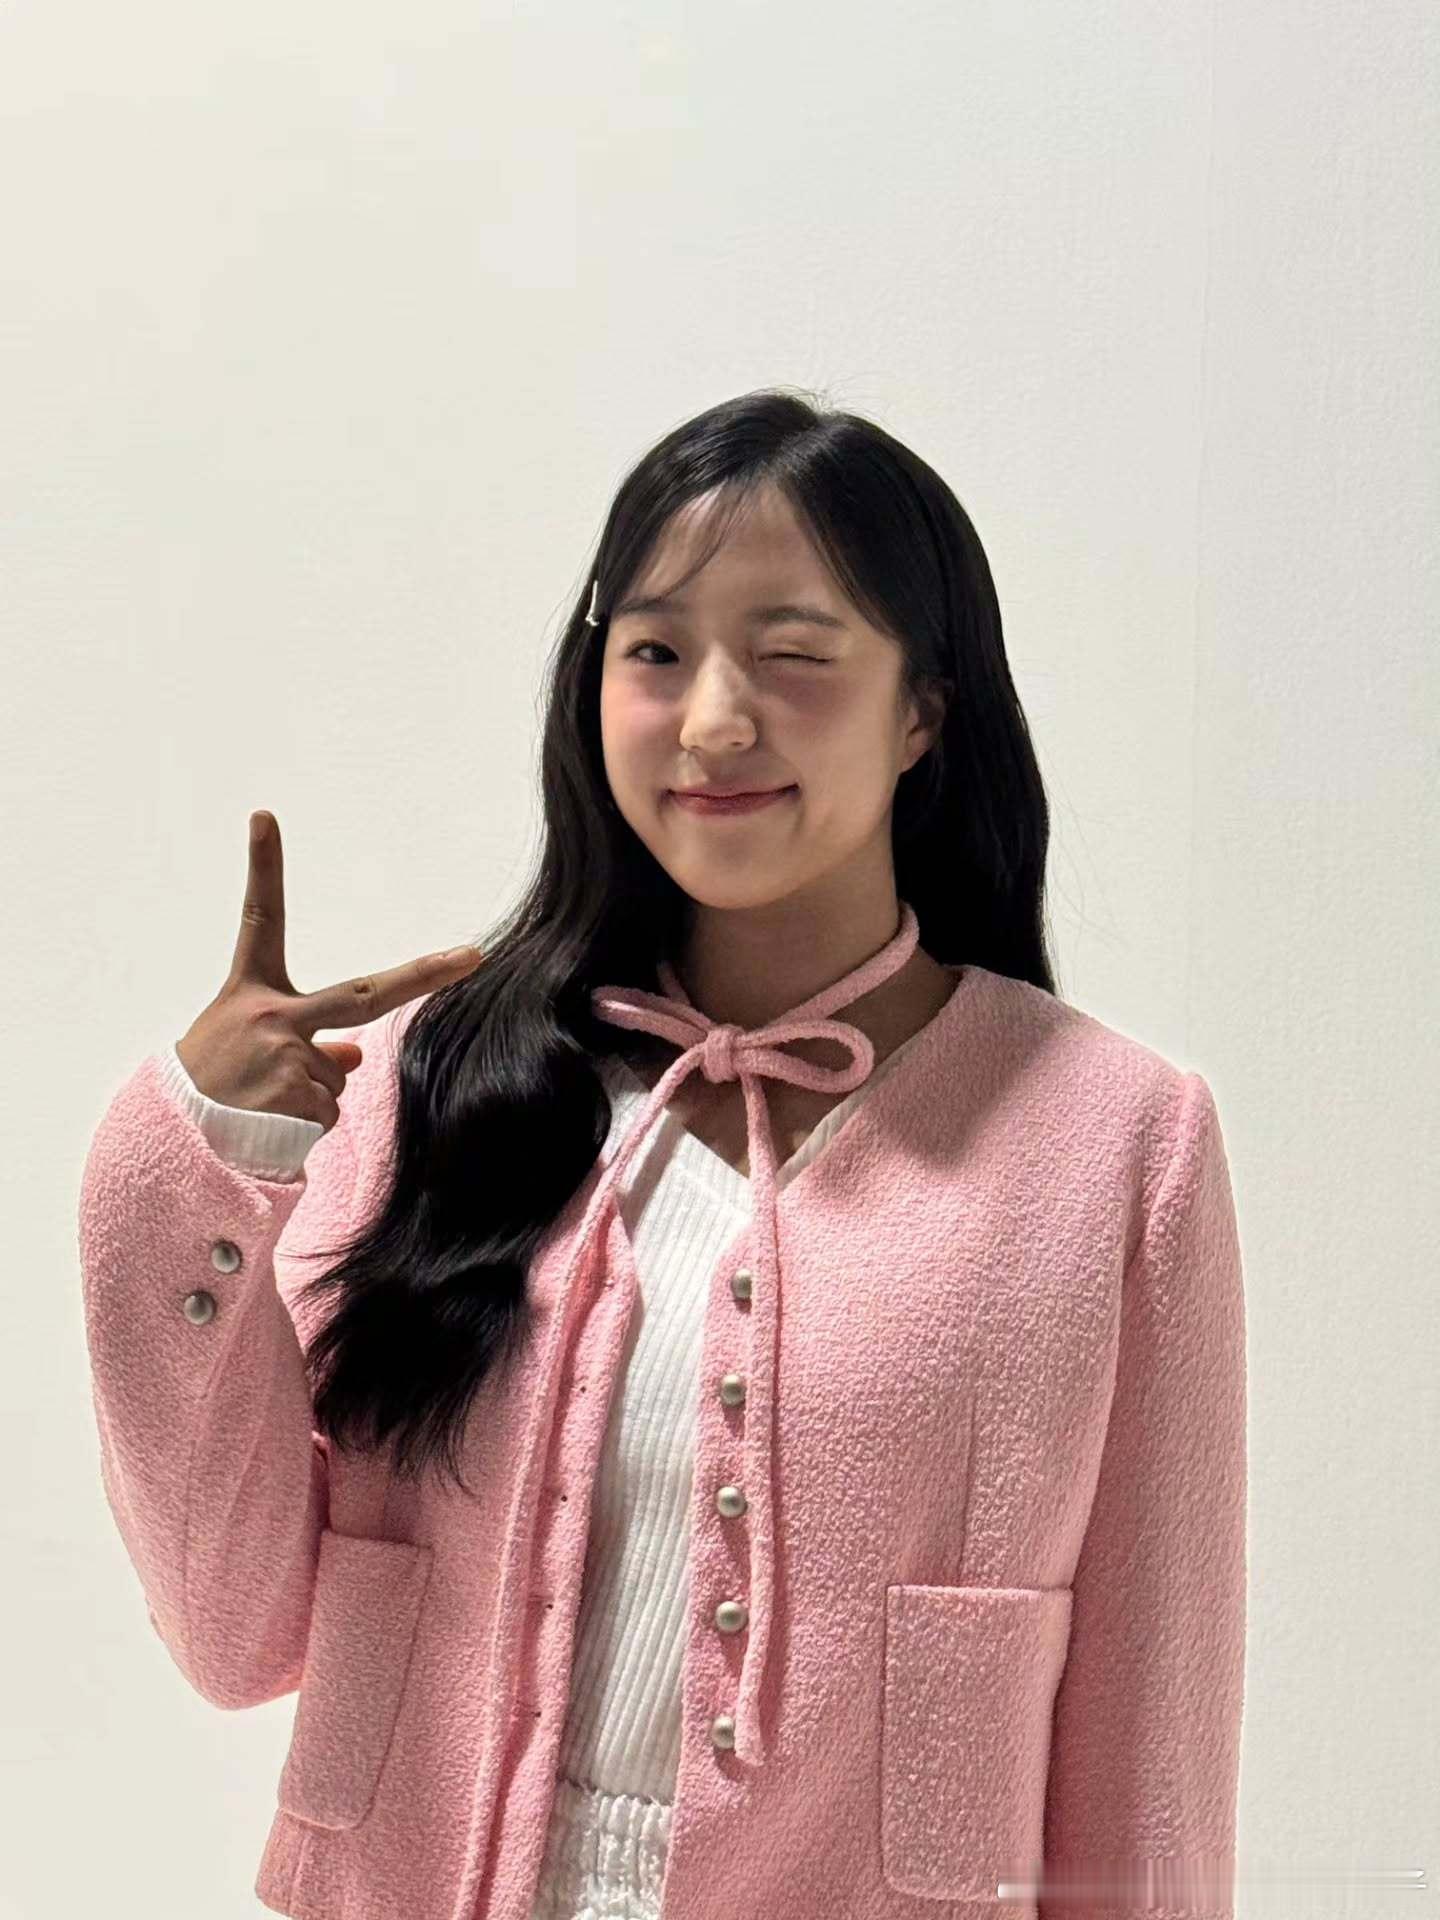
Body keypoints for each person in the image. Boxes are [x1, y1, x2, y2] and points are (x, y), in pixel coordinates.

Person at [78, 387, 1246, 1920]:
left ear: (924, 709)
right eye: (656, 653)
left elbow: (1152, 1760)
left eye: (794, 652)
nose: (712, 721)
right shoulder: (430, 1084)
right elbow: (236, 1634)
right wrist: (206, 1161)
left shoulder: (1117, 1142)